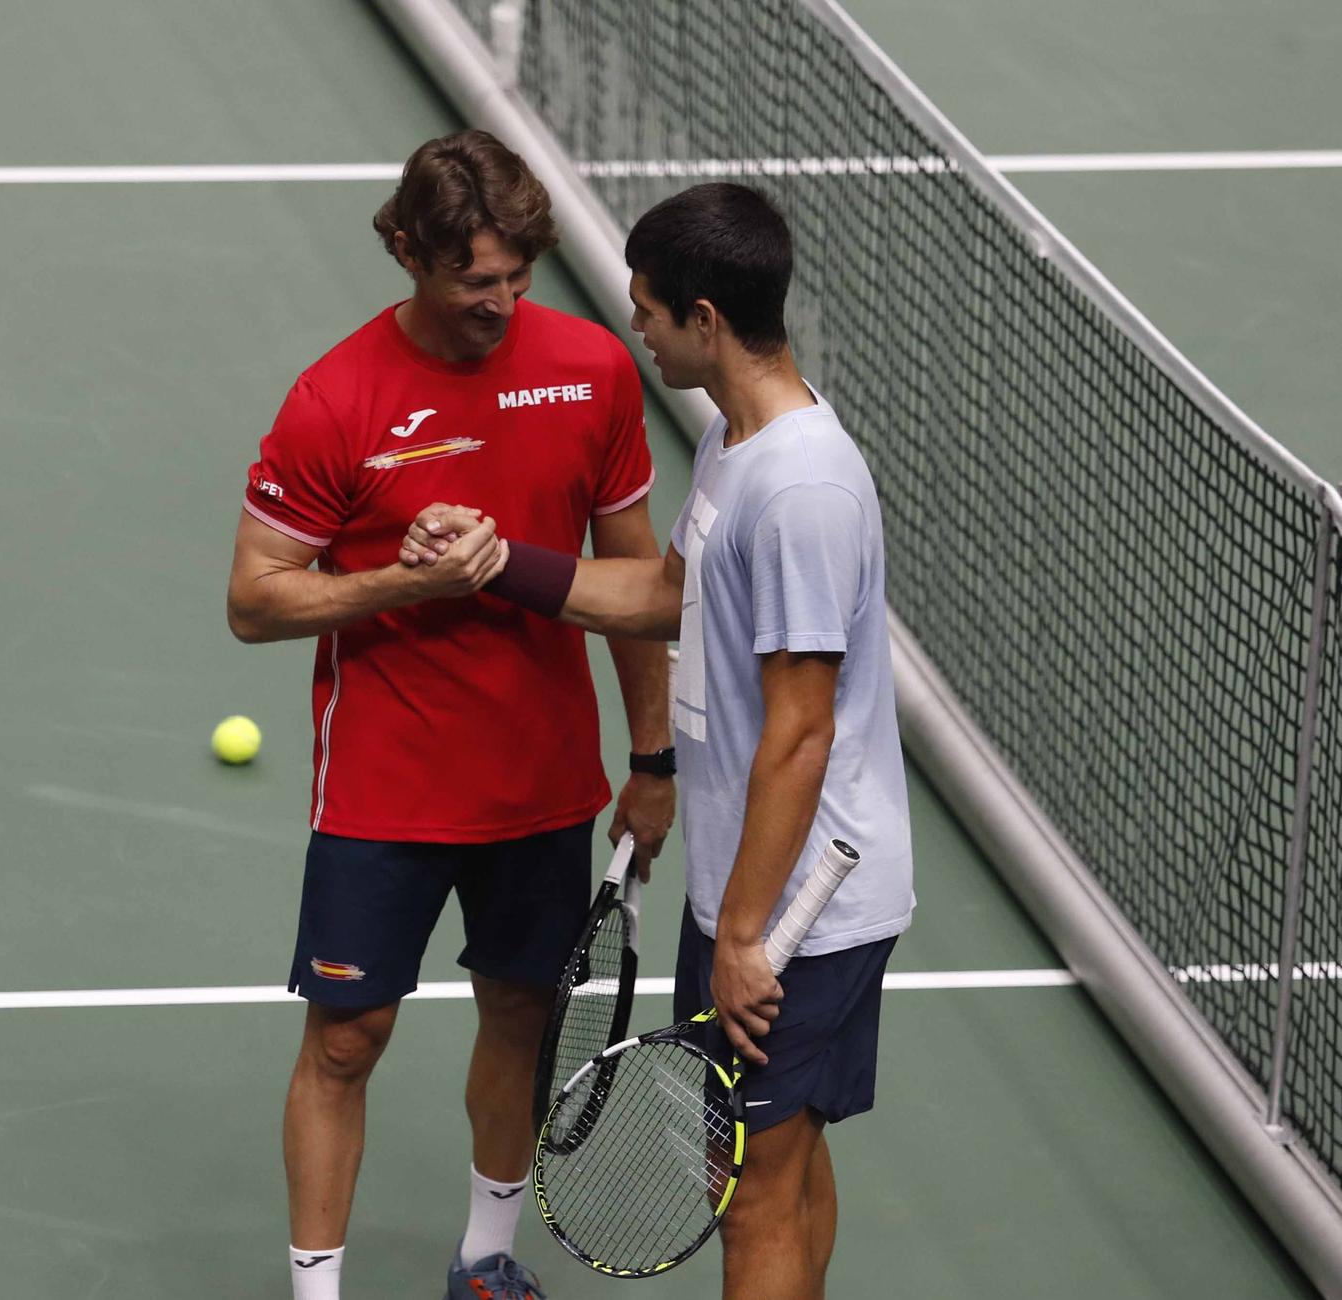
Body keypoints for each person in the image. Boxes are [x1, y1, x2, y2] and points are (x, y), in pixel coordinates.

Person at [402, 182, 914, 1300]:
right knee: (785, 1152)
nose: (632, 327)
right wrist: (498, 563)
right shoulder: (739, 445)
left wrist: (741, 935)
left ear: (705, 320)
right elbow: (664, 592)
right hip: (749, 888)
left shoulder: (802, 491)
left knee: (752, 1196)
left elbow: (800, 731)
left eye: (646, 310)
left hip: (796, 910)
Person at [227, 129, 674, 1300]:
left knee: (520, 1014)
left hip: (539, 779)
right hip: (384, 783)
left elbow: (638, 587)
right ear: (403, 250)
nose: (499, 305)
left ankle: (485, 1260)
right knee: (343, 1040)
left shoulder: (589, 370)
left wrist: (654, 755)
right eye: (474, 282)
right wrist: (403, 582)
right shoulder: (337, 398)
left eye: (517, 281)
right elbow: (254, 600)